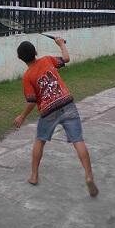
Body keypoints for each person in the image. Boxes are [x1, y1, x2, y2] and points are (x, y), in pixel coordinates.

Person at [13, 38, 99, 197]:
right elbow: (66, 58)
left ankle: (34, 175)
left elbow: (32, 101)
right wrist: (61, 44)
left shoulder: (27, 77)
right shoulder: (47, 60)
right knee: (78, 140)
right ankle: (88, 175)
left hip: (48, 111)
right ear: (36, 52)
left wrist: (22, 116)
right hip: (67, 103)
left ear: (20, 58)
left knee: (40, 140)